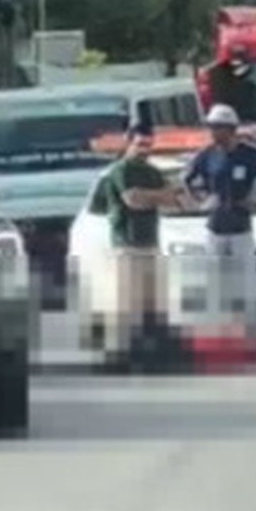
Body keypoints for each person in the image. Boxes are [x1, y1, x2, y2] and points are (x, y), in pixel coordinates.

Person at [184, 104, 256, 328]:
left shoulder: (250, 155)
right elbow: (188, 179)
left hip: (241, 228)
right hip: (215, 227)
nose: (213, 132)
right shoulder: (207, 155)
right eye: (211, 127)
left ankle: (246, 321)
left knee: (244, 278)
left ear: (230, 129)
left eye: (218, 128)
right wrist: (201, 200)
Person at [100, 129, 183, 358]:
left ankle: (153, 349)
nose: (144, 150)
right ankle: (119, 351)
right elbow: (132, 200)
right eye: (140, 144)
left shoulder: (152, 172)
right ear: (129, 143)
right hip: (126, 242)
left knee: (154, 301)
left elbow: (174, 201)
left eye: (148, 145)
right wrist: (158, 195)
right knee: (126, 301)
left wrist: (152, 196)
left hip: (150, 241)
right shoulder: (121, 170)